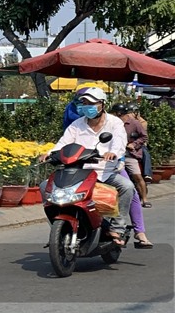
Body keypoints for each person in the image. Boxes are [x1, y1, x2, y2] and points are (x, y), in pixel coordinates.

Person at [45, 87, 135, 245]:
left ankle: (117, 228)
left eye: (91, 103)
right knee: (45, 186)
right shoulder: (76, 125)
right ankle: (58, 224)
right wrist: (50, 153)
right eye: (84, 103)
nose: (87, 106)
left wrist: (112, 152)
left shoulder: (115, 123)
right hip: (77, 172)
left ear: (102, 104)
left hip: (104, 171)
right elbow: (63, 143)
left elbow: (119, 142)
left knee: (127, 186)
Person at [110, 103, 151, 208]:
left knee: (137, 175)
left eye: (116, 114)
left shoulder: (134, 123)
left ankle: (145, 199)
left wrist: (134, 144)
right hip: (114, 154)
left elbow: (144, 136)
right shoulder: (111, 123)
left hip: (129, 154)